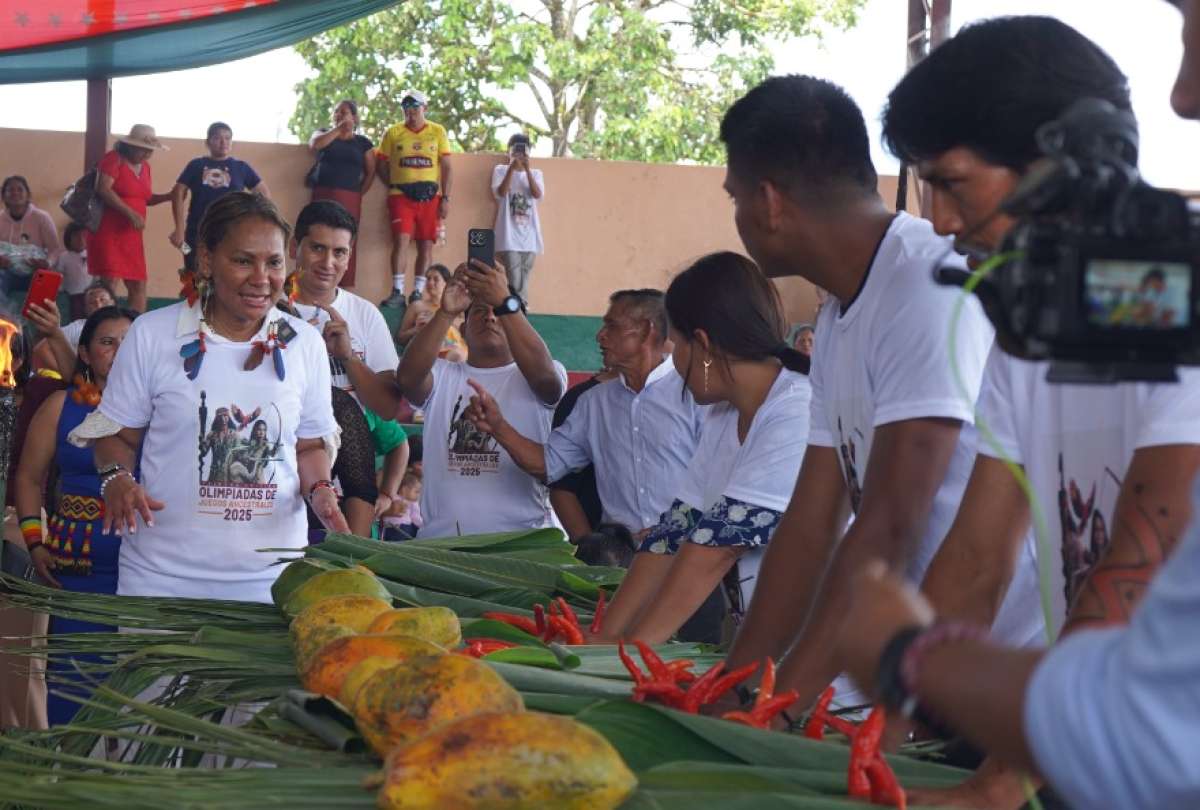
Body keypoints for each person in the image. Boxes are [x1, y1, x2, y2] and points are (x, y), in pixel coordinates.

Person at [877, 15, 1200, 807]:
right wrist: (871, 736)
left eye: (952, 183)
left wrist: (998, 780)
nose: (943, 225)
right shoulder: (1030, 342)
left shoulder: (1169, 312)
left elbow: (1139, 563)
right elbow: (980, 556)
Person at [714, 76, 994, 713]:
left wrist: (776, 706)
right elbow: (812, 521)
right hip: (910, 680)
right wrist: (733, 684)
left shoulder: (925, 285)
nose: (737, 219)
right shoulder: (839, 315)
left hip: (984, 688)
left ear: (770, 201)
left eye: (735, 198)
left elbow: (891, 523)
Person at [74, 191, 346, 603]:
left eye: (273, 262)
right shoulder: (152, 334)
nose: (262, 278)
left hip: (271, 583)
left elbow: (308, 447)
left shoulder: (304, 343)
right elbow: (118, 437)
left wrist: (322, 490)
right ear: (205, 259)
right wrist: (117, 479)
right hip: (160, 580)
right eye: (243, 260)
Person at [587, 252, 811, 643]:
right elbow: (674, 533)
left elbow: (718, 548)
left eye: (676, 347)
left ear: (703, 346)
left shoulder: (796, 410)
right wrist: (604, 639)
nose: (673, 364)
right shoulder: (725, 414)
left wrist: (633, 653)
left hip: (828, 671)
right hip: (764, 653)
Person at [463, 289, 704, 538]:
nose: (600, 336)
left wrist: (680, 530)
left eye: (611, 326)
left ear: (644, 331)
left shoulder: (696, 395)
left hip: (689, 553)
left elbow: (723, 477)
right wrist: (498, 427)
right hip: (623, 562)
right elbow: (548, 465)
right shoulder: (592, 403)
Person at [15, 306, 136, 725]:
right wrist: (34, 542)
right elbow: (29, 479)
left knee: (137, 694)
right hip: (75, 570)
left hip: (145, 567)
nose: (119, 352)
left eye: (128, 342)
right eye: (107, 342)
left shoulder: (162, 408)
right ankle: (67, 778)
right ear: (85, 353)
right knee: (70, 687)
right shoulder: (61, 406)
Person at [396, 259, 565, 538]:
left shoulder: (543, 372)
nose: (490, 317)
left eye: (499, 312)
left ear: (517, 323)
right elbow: (407, 380)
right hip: (442, 543)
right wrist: (446, 312)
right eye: (479, 312)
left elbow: (547, 382)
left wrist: (504, 300)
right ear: (462, 331)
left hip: (522, 542)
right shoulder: (442, 375)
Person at [377, 89, 453, 311]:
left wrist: (446, 197)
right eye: (406, 109)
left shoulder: (438, 131)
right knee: (401, 240)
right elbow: (381, 162)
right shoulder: (393, 132)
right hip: (401, 196)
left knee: (426, 244)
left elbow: (447, 166)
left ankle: (418, 291)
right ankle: (397, 291)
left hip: (430, 198)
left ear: (424, 108)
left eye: (414, 108)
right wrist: (393, 182)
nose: (410, 113)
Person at [88, 124, 173, 313]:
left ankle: (134, 328)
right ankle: (102, 326)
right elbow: (102, 188)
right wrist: (130, 213)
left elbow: (145, 198)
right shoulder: (113, 159)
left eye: (150, 151)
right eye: (143, 149)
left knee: (138, 285)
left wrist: (168, 196)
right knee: (109, 282)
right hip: (108, 231)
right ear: (130, 145)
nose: (147, 154)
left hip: (132, 235)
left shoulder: (146, 168)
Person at [170, 122, 269, 269]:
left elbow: (263, 193)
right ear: (207, 142)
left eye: (228, 138)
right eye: (217, 138)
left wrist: (254, 223)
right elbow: (178, 192)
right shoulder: (196, 165)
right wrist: (178, 229)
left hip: (232, 232)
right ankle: (192, 290)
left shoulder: (241, 167)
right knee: (192, 270)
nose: (223, 142)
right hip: (196, 232)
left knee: (228, 273)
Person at [308, 100, 376, 289]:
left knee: (345, 239)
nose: (338, 114)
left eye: (344, 112)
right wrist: (338, 130)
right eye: (336, 112)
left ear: (354, 117)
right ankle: (313, 281)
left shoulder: (362, 143)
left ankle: (342, 286)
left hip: (350, 198)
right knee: (317, 235)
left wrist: (358, 194)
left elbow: (371, 171)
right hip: (323, 194)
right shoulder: (323, 133)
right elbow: (315, 145)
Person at [547, 370, 615, 541]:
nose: (601, 341)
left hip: (676, 546)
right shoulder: (584, 399)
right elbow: (561, 487)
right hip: (608, 549)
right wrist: (593, 549)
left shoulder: (685, 395)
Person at [492, 133, 544, 304]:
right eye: (516, 150)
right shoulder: (501, 170)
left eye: (523, 150)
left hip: (530, 234)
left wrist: (527, 169)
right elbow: (500, 193)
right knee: (513, 273)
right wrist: (512, 169)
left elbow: (537, 194)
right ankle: (520, 307)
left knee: (525, 273)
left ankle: (518, 305)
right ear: (509, 151)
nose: (519, 154)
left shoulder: (536, 173)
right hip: (509, 233)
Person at [30, 281, 116, 375]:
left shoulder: (126, 326)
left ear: (113, 302)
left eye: (103, 300)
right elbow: (41, 349)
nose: (98, 305)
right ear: (86, 309)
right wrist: (71, 374)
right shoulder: (79, 326)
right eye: (92, 303)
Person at [0, 175, 60, 296]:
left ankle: (38, 314)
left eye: (20, 189)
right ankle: (3, 314)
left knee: (46, 283)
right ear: (3, 197)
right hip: (6, 271)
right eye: (10, 190)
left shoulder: (42, 217)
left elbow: (54, 249)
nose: (15, 193)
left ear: (28, 195)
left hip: (35, 271)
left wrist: (47, 263)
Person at [395, 263, 468, 361]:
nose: (430, 282)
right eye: (428, 279)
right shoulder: (417, 306)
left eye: (435, 279)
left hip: (456, 349)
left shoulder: (457, 307)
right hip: (427, 351)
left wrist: (439, 318)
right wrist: (416, 330)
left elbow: (466, 333)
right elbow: (400, 338)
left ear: (446, 283)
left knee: (459, 355)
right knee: (457, 355)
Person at [55, 223, 91, 321]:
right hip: (73, 294)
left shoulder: (91, 255)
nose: (80, 240)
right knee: (77, 317)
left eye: (84, 236)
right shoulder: (64, 257)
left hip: (89, 293)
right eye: (76, 236)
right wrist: (59, 289)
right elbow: (59, 275)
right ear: (68, 238)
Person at [381, 471, 423, 541]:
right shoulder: (412, 502)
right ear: (404, 489)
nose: (418, 495)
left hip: (389, 528)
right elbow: (416, 518)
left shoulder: (391, 497)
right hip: (402, 528)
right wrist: (424, 526)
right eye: (416, 492)